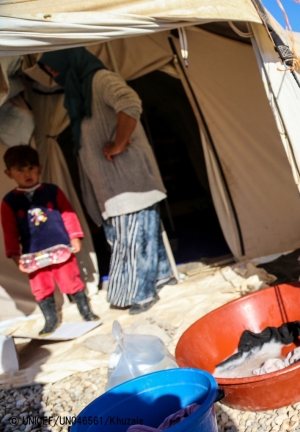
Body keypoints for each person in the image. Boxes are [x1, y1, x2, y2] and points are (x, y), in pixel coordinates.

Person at [38, 48, 173, 315]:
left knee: (133, 237)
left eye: (55, 69)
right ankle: (160, 276)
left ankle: (141, 293)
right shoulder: (81, 91)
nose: (55, 76)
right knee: (138, 233)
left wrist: (119, 144)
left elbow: (129, 102)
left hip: (128, 183)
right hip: (112, 185)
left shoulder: (100, 79)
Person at [1, 145, 99, 336]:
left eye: (31, 168)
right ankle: (51, 319)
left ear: (40, 167)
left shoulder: (53, 192)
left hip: (61, 248)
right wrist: (14, 254)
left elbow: (68, 215)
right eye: (20, 170)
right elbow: (9, 230)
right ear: (8, 173)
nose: (27, 173)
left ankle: (85, 311)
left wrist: (75, 237)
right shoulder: (9, 202)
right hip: (33, 255)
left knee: (71, 280)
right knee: (41, 287)